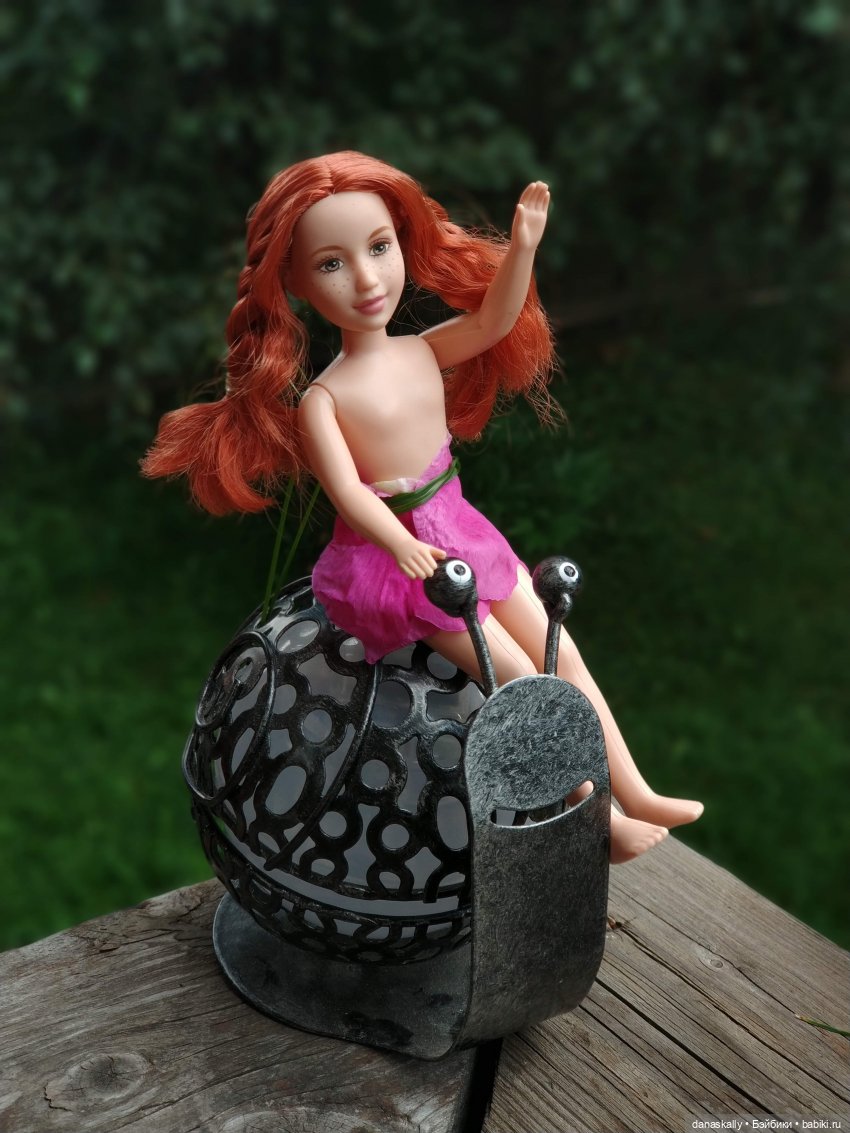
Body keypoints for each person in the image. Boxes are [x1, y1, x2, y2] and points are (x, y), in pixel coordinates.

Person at [142, 151, 703, 863]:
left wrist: (522, 248)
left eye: (379, 248)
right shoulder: (324, 399)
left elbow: (494, 320)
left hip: (462, 529)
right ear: (295, 283)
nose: (367, 279)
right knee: (517, 678)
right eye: (331, 264)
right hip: (395, 566)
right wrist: (400, 543)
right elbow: (348, 491)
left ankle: (637, 789)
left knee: (563, 652)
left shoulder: (419, 350)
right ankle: (597, 816)